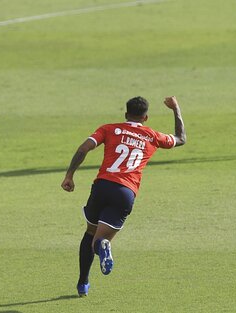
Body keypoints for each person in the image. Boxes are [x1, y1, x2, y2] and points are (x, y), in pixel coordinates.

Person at [61, 96, 186, 297]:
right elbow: (181, 139)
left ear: (126, 114)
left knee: (90, 234)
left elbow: (84, 148)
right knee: (99, 242)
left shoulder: (109, 129)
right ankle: (103, 247)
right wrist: (175, 108)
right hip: (125, 192)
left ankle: (83, 283)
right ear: (145, 117)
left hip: (101, 187)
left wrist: (69, 175)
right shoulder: (152, 136)